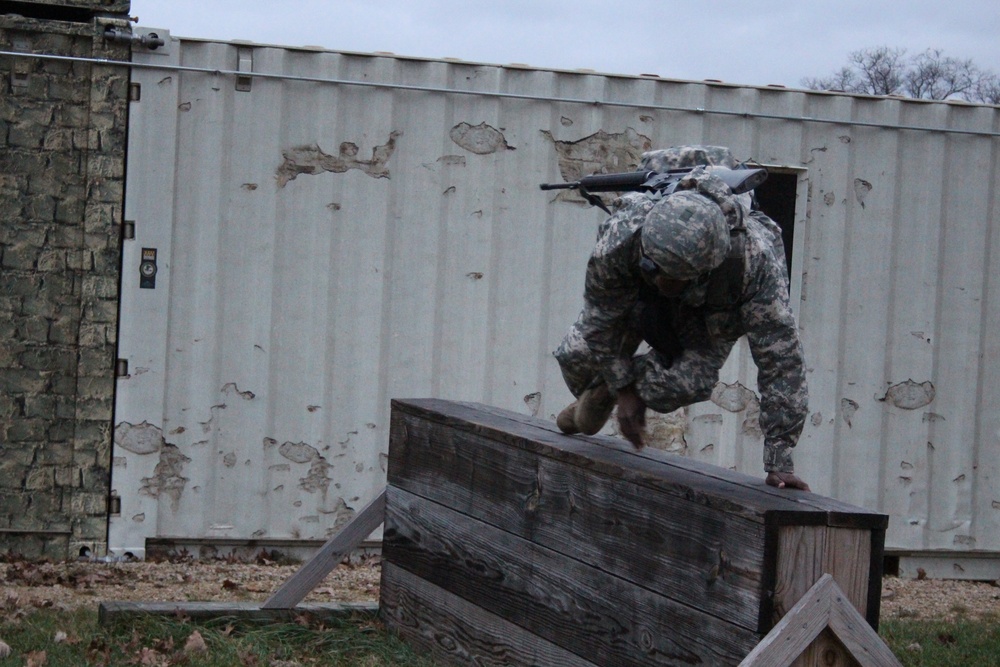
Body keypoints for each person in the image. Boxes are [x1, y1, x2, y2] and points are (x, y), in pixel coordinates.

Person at [553, 145, 810, 491]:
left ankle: (602, 393)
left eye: (674, 279)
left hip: (707, 307)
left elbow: (781, 362)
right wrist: (625, 389)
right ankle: (603, 389)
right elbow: (600, 319)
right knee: (578, 354)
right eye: (657, 272)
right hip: (635, 294)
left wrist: (780, 459)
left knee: (688, 382)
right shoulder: (623, 234)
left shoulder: (752, 264)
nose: (664, 284)